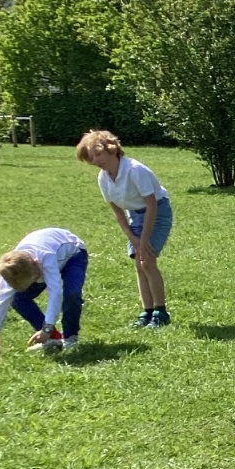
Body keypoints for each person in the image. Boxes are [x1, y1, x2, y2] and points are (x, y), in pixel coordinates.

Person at [74, 130, 173, 328]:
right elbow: (117, 212)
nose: (95, 161)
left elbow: (151, 204)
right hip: (134, 215)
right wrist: (133, 239)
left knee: (147, 261)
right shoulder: (103, 178)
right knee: (138, 262)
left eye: (98, 154)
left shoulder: (135, 170)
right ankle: (147, 312)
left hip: (157, 213)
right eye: (91, 158)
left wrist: (144, 239)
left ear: (112, 149)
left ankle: (160, 313)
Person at [0, 227, 88, 358]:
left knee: (71, 294)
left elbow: (55, 293)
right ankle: (53, 338)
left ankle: (69, 337)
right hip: (42, 265)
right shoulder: (10, 269)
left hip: (73, 254)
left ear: (36, 264)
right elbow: (1, 300)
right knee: (17, 299)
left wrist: (46, 328)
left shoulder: (46, 257)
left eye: (35, 279)